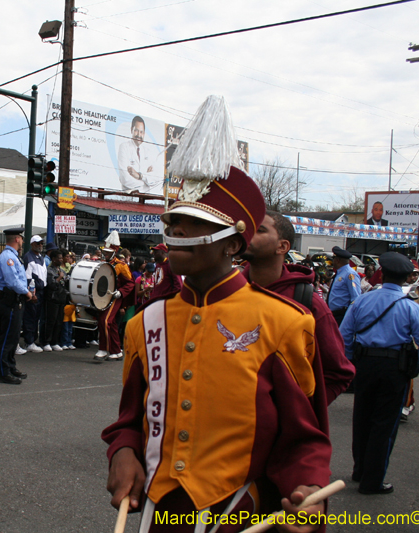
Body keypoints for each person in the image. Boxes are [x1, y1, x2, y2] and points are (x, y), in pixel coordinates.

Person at [103, 96, 329, 532]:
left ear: (232, 243)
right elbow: (130, 420)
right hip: (161, 515)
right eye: (173, 221)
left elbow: (303, 439)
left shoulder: (285, 323)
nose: (176, 231)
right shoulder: (143, 324)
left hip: (238, 516)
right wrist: (124, 450)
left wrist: (306, 491)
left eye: (194, 223)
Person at [241, 211, 355, 434]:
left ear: (282, 247)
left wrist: (299, 412)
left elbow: (339, 372)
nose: (248, 234)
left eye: (260, 230)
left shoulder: (307, 303)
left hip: (276, 438)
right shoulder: (228, 292)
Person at [340, 252, 419, 495]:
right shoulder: (409, 307)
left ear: (382, 273)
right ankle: (372, 481)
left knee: (362, 418)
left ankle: (359, 470)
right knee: (384, 425)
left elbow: (343, 336)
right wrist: (418, 368)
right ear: (406, 279)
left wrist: (352, 361)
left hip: (365, 365)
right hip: (395, 369)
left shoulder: (362, 301)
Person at [0, 226, 33, 385]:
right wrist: (27, 292)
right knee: (7, 338)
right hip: (10, 300)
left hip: (15, 300)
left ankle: (10, 366)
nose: (22, 241)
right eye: (21, 238)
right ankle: (3, 372)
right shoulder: (8, 257)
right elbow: (12, 281)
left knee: (14, 336)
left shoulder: (13, 256)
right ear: (17, 239)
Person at [94, 233, 135, 361]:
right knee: (111, 323)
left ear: (115, 251)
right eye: (104, 252)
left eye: (108, 252)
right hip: (102, 296)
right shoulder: (101, 263)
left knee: (104, 321)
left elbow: (130, 283)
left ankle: (103, 349)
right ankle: (116, 350)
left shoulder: (121, 266)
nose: (105, 254)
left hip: (115, 296)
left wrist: (121, 292)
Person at [117, 115, 158, 193]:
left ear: (144, 133)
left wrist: (139, 176)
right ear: (131, 130)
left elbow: (155, 179)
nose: (139, 135)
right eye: (136, 130)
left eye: (141, 132)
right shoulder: (124, 147)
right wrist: (145, 183)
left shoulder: (148, 152)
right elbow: (125, 178)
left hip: (145, 199)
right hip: (128, 198)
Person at [23, 235, 46, 352]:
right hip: (34, 291)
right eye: (38, 243)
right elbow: (28, 277)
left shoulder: (41, 257)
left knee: (36, 317)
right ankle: (29, 341)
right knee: (30, 317)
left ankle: (33, 340)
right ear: (32, 244)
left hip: (41, 291)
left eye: (41, 243)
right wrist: (31, 293)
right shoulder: (28, 257)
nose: (40, 245)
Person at [326, 246, 360, 326]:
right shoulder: (339, 273)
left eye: (333, 259)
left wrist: (349, 318)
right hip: (334, 315)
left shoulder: (350, 274)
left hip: (342, 316)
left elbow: (355, 298)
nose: (332, 262)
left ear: (337, 260)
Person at [41, 248, 66, 351]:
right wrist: (60, 278)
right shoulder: (49, 270)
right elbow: (51, 284)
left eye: (62, 258)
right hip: (52, 298)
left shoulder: (62, 270)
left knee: (59, 321)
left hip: (61, 298)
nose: (61, 260)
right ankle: (46, 341)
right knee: (50, 320)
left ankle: (54, 341)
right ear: (54, 259)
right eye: (59, 258)